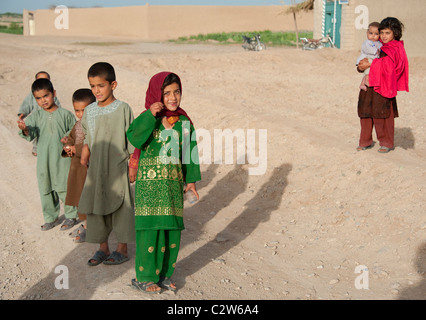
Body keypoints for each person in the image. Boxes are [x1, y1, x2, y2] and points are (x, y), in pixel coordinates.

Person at [126, 72, 201, 294]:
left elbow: (190, 153)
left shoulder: (185, 121)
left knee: (171, 232)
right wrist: (150, 114)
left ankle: (165, 275)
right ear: (156, 94)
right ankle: (145, 277)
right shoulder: (147, 118)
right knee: (150, 230)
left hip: (172, 189)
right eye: (166, 92)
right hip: (149, 189)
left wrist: (192, 181)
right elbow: (135, 137)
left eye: (176, 92)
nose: (172, 97)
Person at [78, 62, 135, 266]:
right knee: (97, 207)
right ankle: (103, 248)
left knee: (121, 206)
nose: (96, 91)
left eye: (101, 85)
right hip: (96, 169)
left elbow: (131, 139)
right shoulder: (90, 111)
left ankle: (122, 249)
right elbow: (87, 135)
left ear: (113, 84)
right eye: (92, 86)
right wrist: (85, 148)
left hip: (117, 167)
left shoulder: (123, 109)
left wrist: (133, 164)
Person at [17, 78, 77, 231]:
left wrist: (68, 138)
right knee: (46, 188)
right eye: (38, 98)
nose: (43, 100)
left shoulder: (66, 114)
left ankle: (71, 215)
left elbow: (75, 131)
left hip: (62, 160)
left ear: (54, 94)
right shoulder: (35, 116)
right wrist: (24, 128)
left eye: (46, 96)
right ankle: (51, 217)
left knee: (64, 186)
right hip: (44, 160)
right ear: (34, 98)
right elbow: (29, 134)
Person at [356, 17, 409, 153]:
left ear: (395, 34)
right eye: (382, 33)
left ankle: (386, 142)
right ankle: (365, 141)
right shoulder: (375, 45)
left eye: (388, 33)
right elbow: (364, 59)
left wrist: (370, 64)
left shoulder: (396, 48)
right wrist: (361, 66)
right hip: (369, 84)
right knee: (365, 113)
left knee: (383, 115)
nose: (384, 36)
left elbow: (391, 67)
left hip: (384, 86)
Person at [61, 89, 96, 243]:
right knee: (80, 197)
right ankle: (87, 224)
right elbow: (71, 137)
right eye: (77, 111)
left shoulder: (96, 124)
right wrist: (67, 145)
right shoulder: (77, 125)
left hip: (90, 169)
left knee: (90, 198)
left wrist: (78, 148)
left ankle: (90, 227)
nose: (81, 114)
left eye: (84, 110)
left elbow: (94, 144)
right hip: (78, 169)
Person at [18, 71, 61, 156]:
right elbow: (27, 104)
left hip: (49, 119)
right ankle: (36, 148)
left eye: (45, 80)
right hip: (38, 119)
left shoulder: (51, 95)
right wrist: (22, 114)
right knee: (36, 134)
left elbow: (58, 107)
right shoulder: (32, 95)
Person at [356, 22, 382, 91]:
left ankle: (363, 83)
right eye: (371, 33)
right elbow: (370, 50)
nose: (373, 36)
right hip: (368, 58)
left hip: (374, 59)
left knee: (370, 69)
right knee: (368, 71)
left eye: (376, 34)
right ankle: (365, 82)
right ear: (367, 33)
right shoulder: (367, 42)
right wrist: (376, 51)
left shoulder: (379, 43)